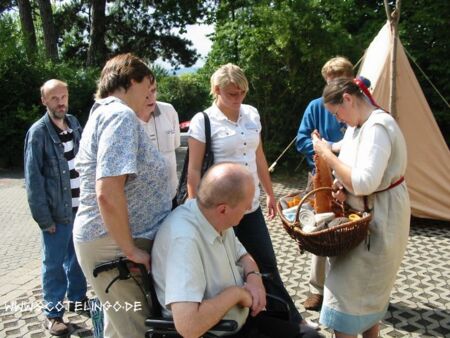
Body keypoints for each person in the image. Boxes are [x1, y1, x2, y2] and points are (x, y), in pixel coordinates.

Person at [186, 63, 317, 330]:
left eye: (242, 93)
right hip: (219, 210)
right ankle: (243, 322)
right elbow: (194, 169)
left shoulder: (252, 114)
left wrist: (270, 193)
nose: (238, 99)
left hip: (250, 205)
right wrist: (194, 212)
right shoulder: (204, 120)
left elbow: (259, 157)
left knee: (266, 262)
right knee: (226, 270)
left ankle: (293, 320)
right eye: (232, 94)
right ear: (216, 90)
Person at [152, 162, 322, 338]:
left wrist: (254, 278)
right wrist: (237, 294)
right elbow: (188, 327)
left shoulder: (212, 215)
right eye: (245, 205)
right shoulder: (184, 241)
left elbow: (244, 256)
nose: (249, 209)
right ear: (223, 209)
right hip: (216, 331)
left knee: (310, 336)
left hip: (239, 321)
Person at [73, 53, 172, 338]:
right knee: (137, 331)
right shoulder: (119, 115)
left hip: (109, 244)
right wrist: (130, 250)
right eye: (148, 87)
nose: (150, 96)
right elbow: (107, 192)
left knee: (118, 330)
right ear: (132, 81)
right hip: (114, 250)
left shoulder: (103, 113)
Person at [312, 78, 410, 338]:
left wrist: (327, 156)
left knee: (347, 299)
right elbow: (353, 168)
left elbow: (365, 182)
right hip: (365, 219)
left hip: (383, 222)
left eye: (337, 113)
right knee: (363, 303)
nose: (339, 120)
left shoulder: (378, 127)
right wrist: (342, 187)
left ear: (347, 98)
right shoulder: (358, 126)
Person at [24, 79, 88, 336]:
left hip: (81, 209)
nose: (60, 102)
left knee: (78, 260)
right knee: (53, 264)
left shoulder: (74, 123)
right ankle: (53, 314)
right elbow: (33, 181)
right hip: (56, 215)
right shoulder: (38, 133)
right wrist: (44, 219)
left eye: (63, 96)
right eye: (54, 98)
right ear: (44, 101)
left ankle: (77, 298)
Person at [295, 56, 353, 311]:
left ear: (350, 80)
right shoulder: (316, 106)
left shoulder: (358, 104)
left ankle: (349, 287)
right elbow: (301, 140)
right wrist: (324, 152)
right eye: (330, 82)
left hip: (352, 177)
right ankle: (316, 289)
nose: (334, 88)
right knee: (320, 231)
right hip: (321, 178)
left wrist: (339, 154)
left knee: (350, 230)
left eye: (339, 82)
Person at [138, 82, 180, 208]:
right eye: (144, 93)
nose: (150, 97)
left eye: (153, 90)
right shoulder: (124, 118)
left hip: (171, 196)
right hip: (142, 203)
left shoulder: (168, 111)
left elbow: (176, 145)